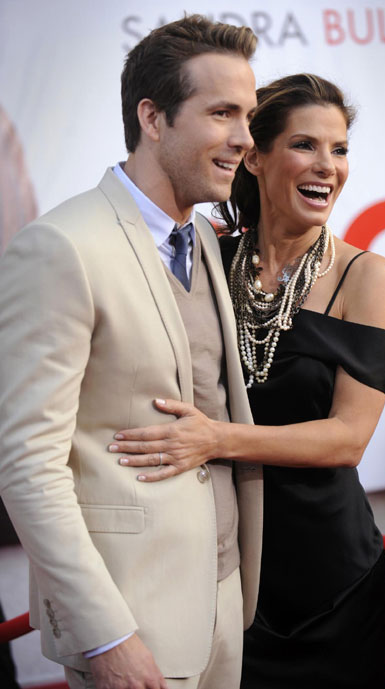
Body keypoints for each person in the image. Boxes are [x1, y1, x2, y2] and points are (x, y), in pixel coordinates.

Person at [109, 74, 385, 688]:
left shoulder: (366, 276)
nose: (329, 166)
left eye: (340, 149)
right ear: (256, 156)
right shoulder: (210, 256)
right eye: (306, 145)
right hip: (224, 576)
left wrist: (217, 440)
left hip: (332, 580)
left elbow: (349, 439)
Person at [0, 15, 263, 689]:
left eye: (249, 115)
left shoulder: (203, 236)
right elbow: (28, 465)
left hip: (225, 599)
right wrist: (107, 632)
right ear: (153, 116)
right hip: (133, 618)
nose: (244, 139)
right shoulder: (60, 246)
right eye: (223, 112)